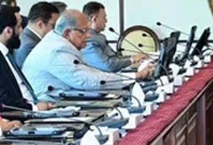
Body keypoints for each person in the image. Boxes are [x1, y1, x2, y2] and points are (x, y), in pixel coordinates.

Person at [22, 9, 153, 101]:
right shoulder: (56, 51)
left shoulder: (59, 44)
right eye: (83, 31)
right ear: (67, 33)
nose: (88, 36)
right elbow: (86, 80)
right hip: (52, 109)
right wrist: (134, 76)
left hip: (65, 100)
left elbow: (89, 73)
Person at [0, 5, 51, 112]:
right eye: (19, 27)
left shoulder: (5, 52)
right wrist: (35, 108)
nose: (22, 31)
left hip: (33, 109)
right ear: (8, 31)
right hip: (21, 115)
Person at [81, 1, 148, 72]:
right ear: (94, 19)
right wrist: (132, 60)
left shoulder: (99, 37)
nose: (106, 21)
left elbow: (115, 58)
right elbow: (108, 66)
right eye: (104, 17)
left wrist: (134, 57)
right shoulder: (88, 40)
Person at [14, 1, 60, 69]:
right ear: (40, 24)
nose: (56, 30)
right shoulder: (29, 46)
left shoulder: (27, 38)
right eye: (53, 26)